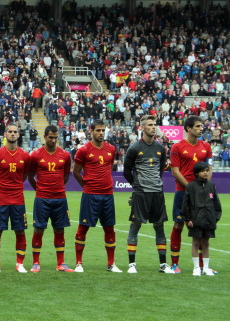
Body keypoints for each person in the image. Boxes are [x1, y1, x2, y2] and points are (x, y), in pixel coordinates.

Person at [123, 115, 174, 274]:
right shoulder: (134, 148)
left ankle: (163, 265)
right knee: (135, 225)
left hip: (157, 192)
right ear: (142, 128)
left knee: (159, 227)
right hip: (141, 193)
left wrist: (154, 183)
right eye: (150, 125)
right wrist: (136, 185)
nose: (153, 127)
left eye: (154, 124)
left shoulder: (160, 148)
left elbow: (160, 170)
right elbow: (126, 171)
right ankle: (132, 264)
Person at [72, 119, 122, 273]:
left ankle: (111, 264)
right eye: (98, 130)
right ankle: (79, 263)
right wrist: (87, 186)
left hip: (107, 195)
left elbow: (109, 166)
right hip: (90, 195)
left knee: (109, 229)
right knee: (83, 228)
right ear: (91, 131)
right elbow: (76, 172)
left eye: (103, 130)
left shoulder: (111, 149)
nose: (101, 133)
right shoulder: (84, 150)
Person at [169, 116, 213, 273]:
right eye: (197, 126)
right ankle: (174, 263)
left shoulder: (206, 146)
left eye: (202, 126)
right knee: (178, 224)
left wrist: (204, 187)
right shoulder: (177, 147)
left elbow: (209, 168)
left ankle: (203, 266)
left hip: (201, 193)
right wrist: (191, 189)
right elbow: (175, 171)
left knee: (202, 226)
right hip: (183, 192)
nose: (201, 128)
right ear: (188, 128)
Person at [27, 125, 74, 273]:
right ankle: (36, 263)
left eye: (55, 137)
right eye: (50, 137)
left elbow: (66, 176)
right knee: (39, 229)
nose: (53, 140)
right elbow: (30, 176)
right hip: (42, 199)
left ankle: (61, 263)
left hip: (60, 199)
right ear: (45, 137)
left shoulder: (65, 155)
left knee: (59, 230)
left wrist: (57, 187)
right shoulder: (36, 155)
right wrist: (41, 190)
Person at [0, 123, 30, 273]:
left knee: (20, 231)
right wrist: (0, 185)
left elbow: (24, 175)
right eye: (9, 132)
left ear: (18, 135)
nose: (12, 134)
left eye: (15, 132)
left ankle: (20, 264)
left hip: (18, 199)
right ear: (5, 134)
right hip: (1, 199)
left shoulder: (24, 155)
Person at [182, 162, 222, 276]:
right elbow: (186, 204)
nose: (206, 172)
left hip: (209, 219)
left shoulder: (211, 186)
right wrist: (188, 218)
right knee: (195, 242)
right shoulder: (191, 186)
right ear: (196, 173)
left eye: (207, 170)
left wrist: (216, 218)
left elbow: (216, 203)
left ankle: (205, 267)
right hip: (195, 220)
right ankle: (196, 268)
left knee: (206, 243)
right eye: (203, 171)